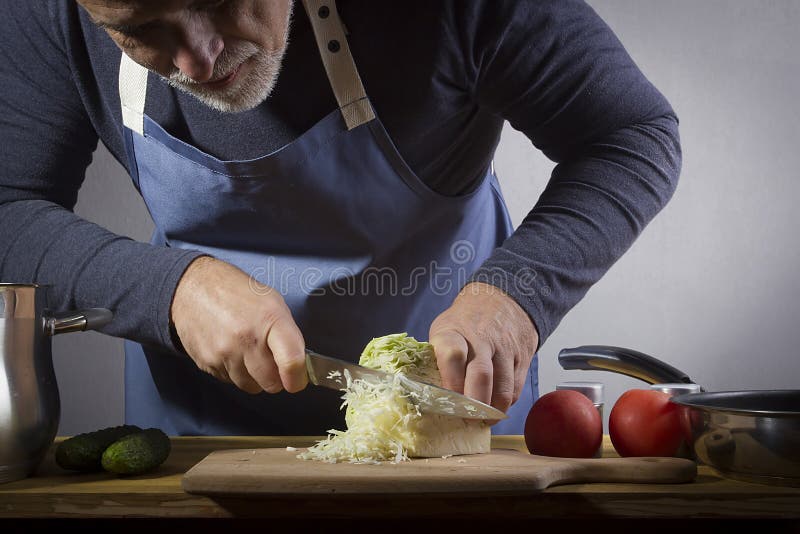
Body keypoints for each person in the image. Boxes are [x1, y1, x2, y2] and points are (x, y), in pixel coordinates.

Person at [0, 0, 680, 436]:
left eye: (220, 0)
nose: (197, 59)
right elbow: (8, 210)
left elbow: (632, 134)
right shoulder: (47, 12)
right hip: (196, 442)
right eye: (141, 29)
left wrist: (516, 294)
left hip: (448, 430)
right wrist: (167, 291)